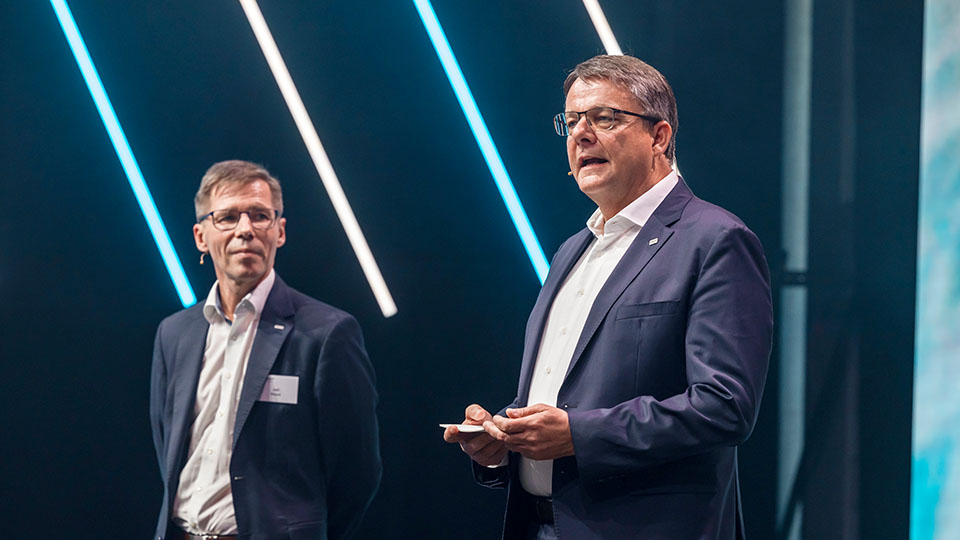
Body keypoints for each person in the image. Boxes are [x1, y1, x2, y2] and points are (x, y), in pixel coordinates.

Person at [444, 55, 773, 540]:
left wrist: (578, 435)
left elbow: (724, 406)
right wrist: (504, 439)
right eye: (572, 121)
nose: (581, 134)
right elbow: (568, 395)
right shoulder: (571, 251)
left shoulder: (715, 240)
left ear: (659, 137)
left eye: (604, 118)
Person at [150, 160, 380, 540]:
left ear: (280, 231)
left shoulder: (327, 334)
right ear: (200, 237)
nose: (246, 230)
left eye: (260, 215)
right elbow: (167, 448)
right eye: (227, 217)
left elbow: (357, 472)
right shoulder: (173, 333)